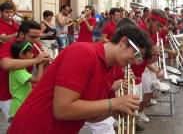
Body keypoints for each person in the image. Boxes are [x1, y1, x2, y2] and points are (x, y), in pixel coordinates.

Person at [8, 24, 153, 134]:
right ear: (123, 41)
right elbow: (62, 109)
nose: (135, 61)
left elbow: (89, 116)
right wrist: (113, 103)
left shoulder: (114, 70)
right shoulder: (83, 52)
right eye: (137, 55)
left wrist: (114, 110)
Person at [0, 21, 49, 120]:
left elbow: (42, 70)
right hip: (9, 95)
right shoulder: (10, 46)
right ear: (22, 34)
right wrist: (36, 60)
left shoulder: (32, 45)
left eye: (38, 37)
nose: (36, 40)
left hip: (24, 92)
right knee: (17, 125)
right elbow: (6, 64)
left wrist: (45, 63)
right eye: (33, 37)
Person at [9, 41, 45, 120]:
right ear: (22, 55)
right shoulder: (18, 70)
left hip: (21, 105)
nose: (33, 54)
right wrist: (41, 64)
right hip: (19, 106)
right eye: (30, 52)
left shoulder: (20, 67)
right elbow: (37, 80)